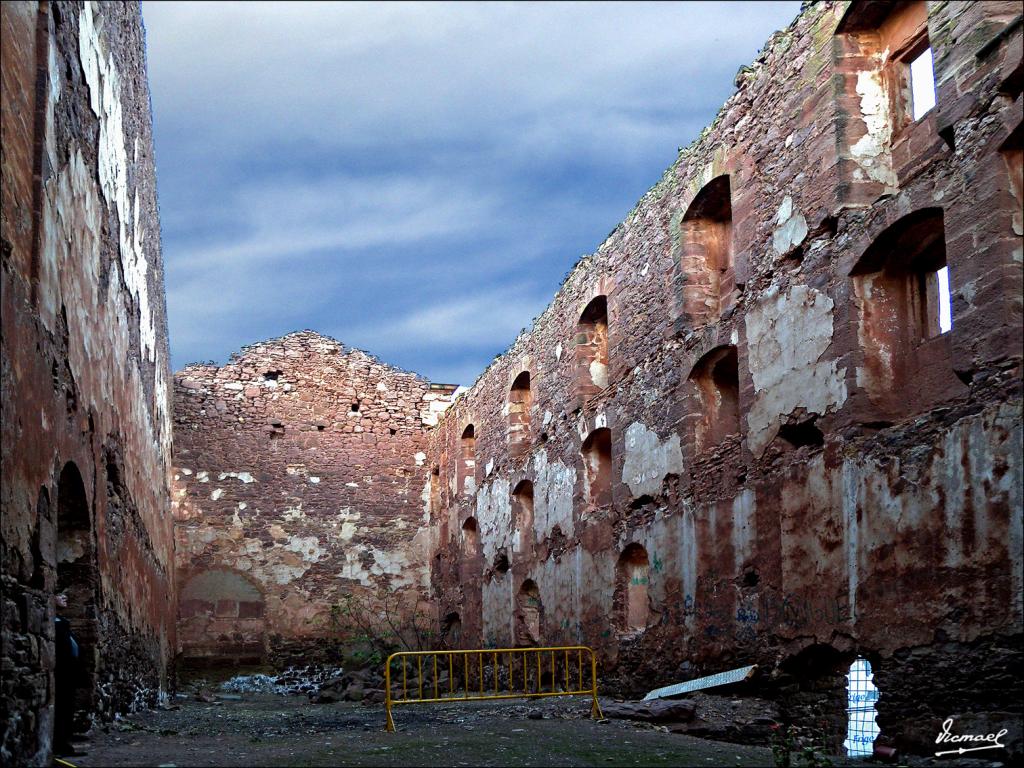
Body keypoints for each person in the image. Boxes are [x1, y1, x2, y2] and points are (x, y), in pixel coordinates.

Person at [53, 592, 81, 756]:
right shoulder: (53, 623)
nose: (65, 597)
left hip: (69, 671)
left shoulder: (61, 621)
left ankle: (65, 742)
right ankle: (60, 745)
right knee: (62, 708)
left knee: (67, 707)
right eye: (59, 594)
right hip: (61, 672)